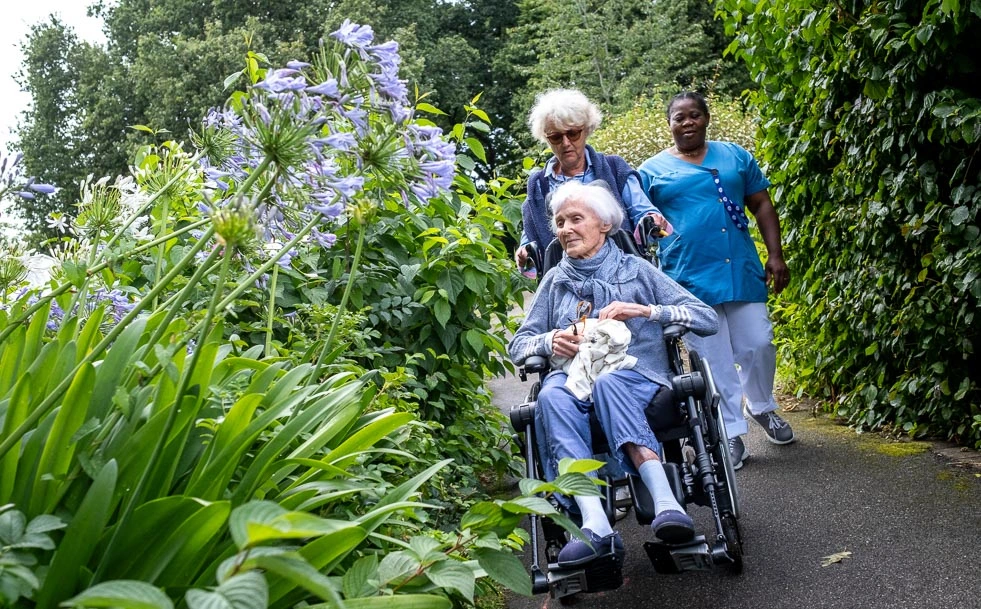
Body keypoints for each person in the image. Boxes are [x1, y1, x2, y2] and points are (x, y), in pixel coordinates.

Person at [507, 180, 719, 567]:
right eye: (559, 222)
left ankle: (667, 504)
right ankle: (594, 524)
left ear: (604, 225)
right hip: (573, 380)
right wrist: (549, 340)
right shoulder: (554, 281)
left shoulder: (636, 270)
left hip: (638, 377)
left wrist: (648, 311)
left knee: (608, 382)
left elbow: (705, 318)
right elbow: (518, 345)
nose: (565, 229)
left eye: (575, 219)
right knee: (550, 396)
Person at [637, 91, 794, 472]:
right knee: (713, 358)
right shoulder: (651, 171)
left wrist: (775, 255)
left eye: (694, 115)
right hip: (687, 276)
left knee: (758, 342)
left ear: (706, 118)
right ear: (669, 124)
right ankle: (731, 432)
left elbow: (761, 204)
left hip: (738, 266)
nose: (687, 122)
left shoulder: (734, 156)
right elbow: (638, 223)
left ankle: (761, 406)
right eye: (679, 117)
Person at [514, 88, 671, 274]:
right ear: (546, 139)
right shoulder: (538, 186)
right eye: (556, 137)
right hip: (567, 284)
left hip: (624, 275)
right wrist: (524, 254)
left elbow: (644, 213)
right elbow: (531, 245)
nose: (565, 143)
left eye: (573, 133)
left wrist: (652, 221)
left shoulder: (614, 168)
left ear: (587, 130)